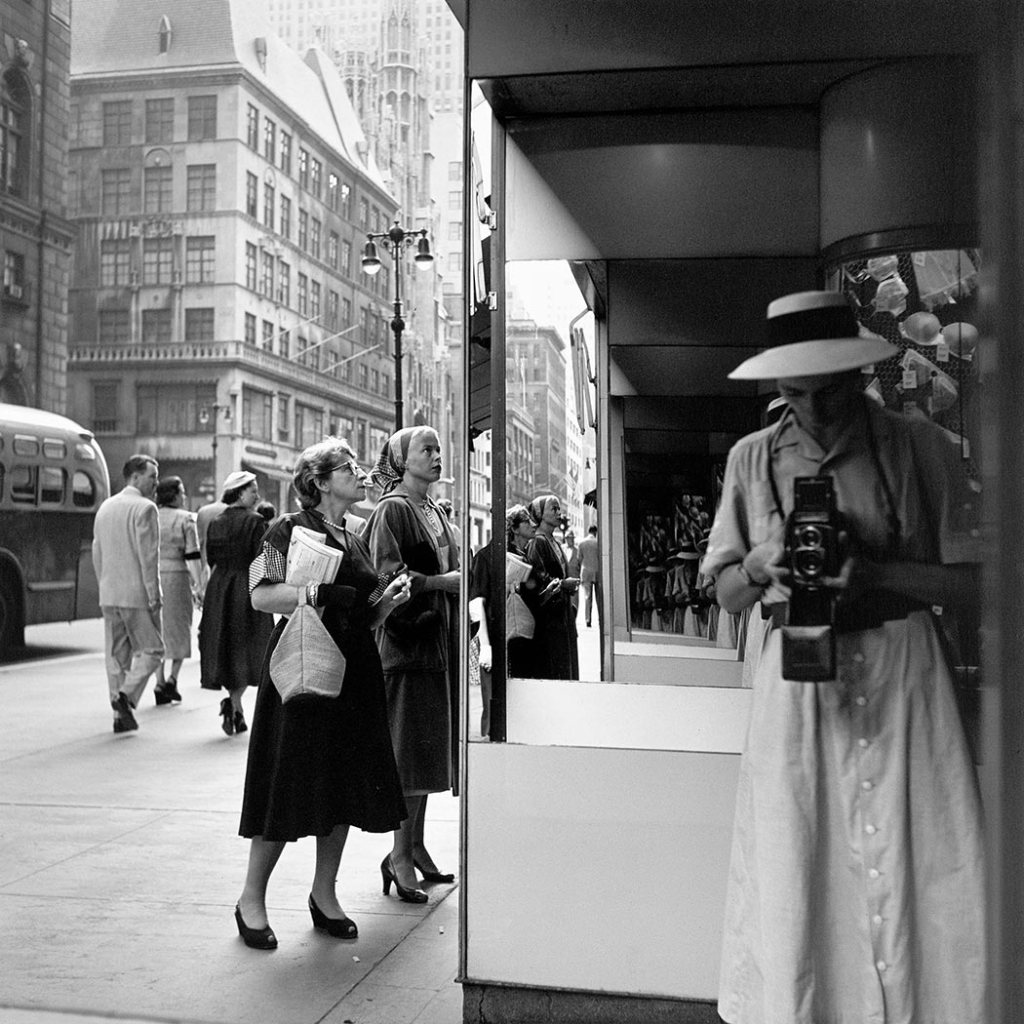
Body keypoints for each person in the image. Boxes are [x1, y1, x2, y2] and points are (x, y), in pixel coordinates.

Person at [705, 291, 984, 1024]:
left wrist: (878, 573)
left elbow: (978, 586)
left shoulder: (919, 448)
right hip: (799, 685)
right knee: (803, 861)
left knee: (923, 859)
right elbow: (728, 595)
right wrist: (766, 562)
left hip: (904, 675)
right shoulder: (750, 461)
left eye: (827, 393)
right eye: (794, 395)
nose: (812, 412)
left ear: (859, 378)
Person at [235, 438, 413, 951]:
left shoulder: (354, 535)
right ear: (318, 480)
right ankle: (251, 899)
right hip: (304, 672)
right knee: (285, 783)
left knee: (341, 786)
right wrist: (313, 593)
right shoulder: (283, 529)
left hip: (353, 672)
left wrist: (386, 605)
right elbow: (260, 593)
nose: (361, 474)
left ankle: (324, 894)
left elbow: (362, 612)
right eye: (349, 467)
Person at [363, 426, 461, 902]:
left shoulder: (434, 510)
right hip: (406, 649)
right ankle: (399, 856)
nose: (437, 456)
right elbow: (386, 579)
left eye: (439, 448)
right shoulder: (392, 510)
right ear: (402, 460)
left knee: (424, 754)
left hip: (435, 647)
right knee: (406, 755)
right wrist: (443, 583)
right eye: (427, 449)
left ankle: (415, 846)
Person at [198, 471, 274, 736]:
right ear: (240, 493)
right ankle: (235, 704)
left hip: (219, 588)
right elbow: (261, 560)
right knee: (248, 647)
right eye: (252, 490)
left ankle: (235, 704)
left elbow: (211, 558)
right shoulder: (256, 521)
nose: (256, 495)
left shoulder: (216, 521)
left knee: (227, 645)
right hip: (245, 588)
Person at [92, 454, 163, 733]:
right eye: (152, 477)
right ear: (135, 477)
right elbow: (149, 558)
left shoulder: (106, 507)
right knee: (154, 650)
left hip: (109, 592)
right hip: (136, 594)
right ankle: (126, 696)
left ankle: (119, 717)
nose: (156, 483)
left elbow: (97, 552)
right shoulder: (145, 508)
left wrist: (103, 586)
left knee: (116, 656)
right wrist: (154, 595)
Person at [468, 504, 539, 736]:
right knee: (492, 703)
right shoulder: (485, 557)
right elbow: (477, 602)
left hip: (517, 639)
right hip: (495, 639)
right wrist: (485, 646)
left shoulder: (520, 556)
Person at [153, 477, 203, 704]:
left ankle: (159, 681)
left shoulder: (150, 515)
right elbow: (192, 556)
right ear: (173, 495)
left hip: (153, 576)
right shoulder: (186, 519)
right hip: (178, 578)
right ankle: (173, 678)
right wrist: (199, 585)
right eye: (181, 492)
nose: (184, 496)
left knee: (158, 630)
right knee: (180, 628)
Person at [523, 494, 579, 678]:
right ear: (540, 514)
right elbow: (538, 579)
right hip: (549, 619)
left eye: (559, 508)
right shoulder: (538, 541)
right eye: (553, 508)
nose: (558, 512)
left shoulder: (553, 541)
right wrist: (563, 584)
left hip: (561, 613)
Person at [577, 525, 599, 627]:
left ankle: (588, 620)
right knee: (599, 598)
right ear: (595, 532)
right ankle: (600, 619)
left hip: (585, 572)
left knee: (587, 597)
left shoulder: (582, 543)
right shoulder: (598, 543)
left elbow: (579, 559)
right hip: (597, 572)